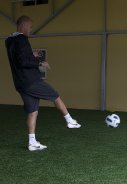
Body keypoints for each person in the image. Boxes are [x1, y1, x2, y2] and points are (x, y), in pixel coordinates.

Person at [5, 15, 81, 151]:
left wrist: (31, 54)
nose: (31, 29)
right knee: (55, 96)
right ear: (23, 26)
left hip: (20, 83)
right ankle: (70, 121)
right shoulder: (22, 39)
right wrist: (40, 62)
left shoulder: (9, 40)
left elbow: (18, 57)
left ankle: (32, 142)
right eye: (30, 27)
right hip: (31, 80)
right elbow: (22, 62)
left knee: (32, 111)